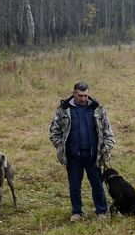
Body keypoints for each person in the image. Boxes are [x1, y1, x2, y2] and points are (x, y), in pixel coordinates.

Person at [49, 81, 114, 222]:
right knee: (74, 186)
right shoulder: (63, 110)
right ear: (74, 93)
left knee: (97, 184)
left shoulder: (97, 109)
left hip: (93, 156)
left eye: (85, 96)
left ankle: (102, 211)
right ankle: (77, 212)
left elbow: (108, 130)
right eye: (80, 96)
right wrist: (61, 147)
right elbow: (54, 132)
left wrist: (107, 148)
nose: (83, 99)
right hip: (73, 157)